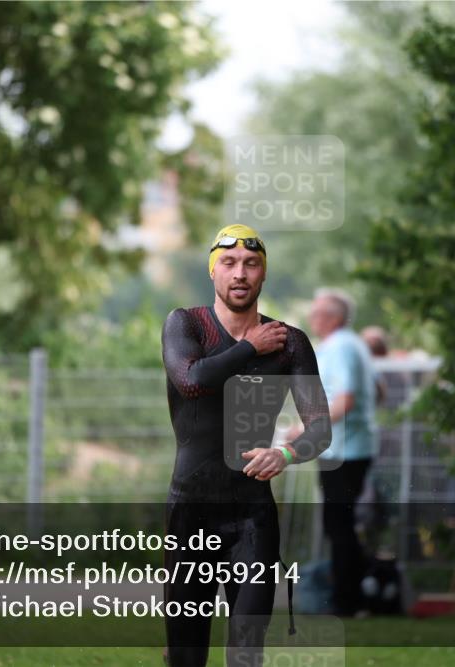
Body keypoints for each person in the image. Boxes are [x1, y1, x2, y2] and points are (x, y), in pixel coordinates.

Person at [160, 223, 332, 667]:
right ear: (214, 272)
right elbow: (193, 381)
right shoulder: (186, 324)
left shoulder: (290, 342)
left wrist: (286, 453)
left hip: (252, 517)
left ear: (263, 275)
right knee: (186, 653)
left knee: (246, 651)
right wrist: (249, 347)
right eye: (230, 263)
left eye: (251, 264)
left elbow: (320, 428)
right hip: (190, 513)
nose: (240, 273)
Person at [305, 288, 378, 617]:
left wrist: (309, 428)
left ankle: (348, 602)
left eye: (317, 312)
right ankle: (356, 594)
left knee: (339, 525)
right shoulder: (353, 344)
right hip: (352, 447)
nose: (311, 318)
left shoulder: (340, 347)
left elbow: (345, 400)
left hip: (344, 451)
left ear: (333, 318)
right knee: (340, 523)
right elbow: (376, 391)